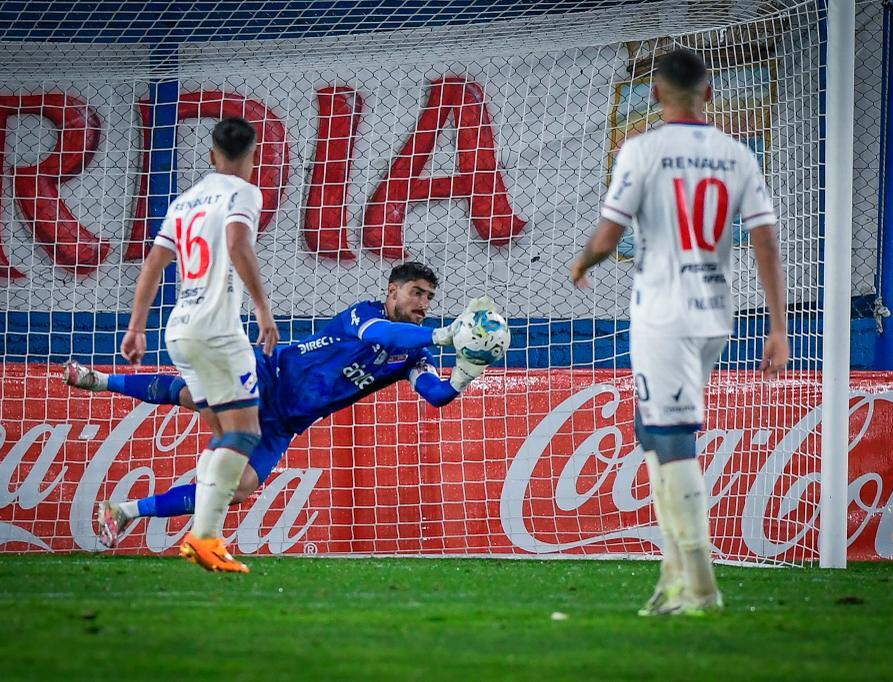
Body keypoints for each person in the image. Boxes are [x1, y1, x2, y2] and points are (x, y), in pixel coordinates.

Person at [68, 262, 499, 564]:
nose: (423, 301)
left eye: (429, 297)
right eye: (416, 293)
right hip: (269, 373)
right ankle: (101, 380)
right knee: (197, 398)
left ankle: (123, 511)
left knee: (236, 489)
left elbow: (436, 395)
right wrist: (445, 335)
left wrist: (465, 372)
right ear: (392, 292)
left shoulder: (414, 353)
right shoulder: (364, 314)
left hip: (286, 423)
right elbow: (384, 333)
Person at [570, 48, 788, 615]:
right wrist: (779, 326)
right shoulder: (736, 153)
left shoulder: (641, 150)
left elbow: (607, 235)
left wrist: (583, 264)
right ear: (708, 94)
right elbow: (765, 241)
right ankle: (671, 577)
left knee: (672, 438)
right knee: (651, 429)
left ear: (658, 96)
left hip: (664, 313)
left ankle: (702, 585)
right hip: (716, 310)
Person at [120, 116, 279, 573]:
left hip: (179, 330)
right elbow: (236, 241)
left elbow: (153, 263)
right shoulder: (244, 192)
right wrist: (264, 309)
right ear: (253, 155)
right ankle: (205, 538)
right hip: (216, 331)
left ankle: (205, 536)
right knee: (245, 433)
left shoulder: (185, 200)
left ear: (212, 154)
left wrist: (136, 327)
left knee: (223, 432)